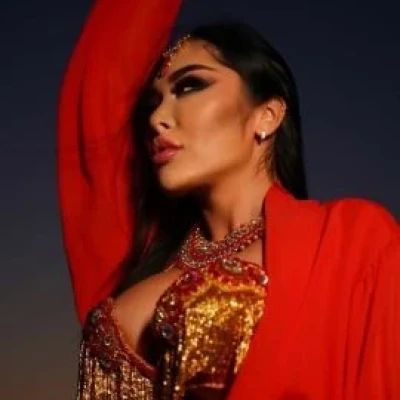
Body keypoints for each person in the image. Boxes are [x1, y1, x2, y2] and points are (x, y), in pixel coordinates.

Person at [58, 0, 400, 399]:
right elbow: (100, 88)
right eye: (153, 102)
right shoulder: (143, 260)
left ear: (267, 115)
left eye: (190, 86)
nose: (157, 118)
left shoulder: (349, 243)